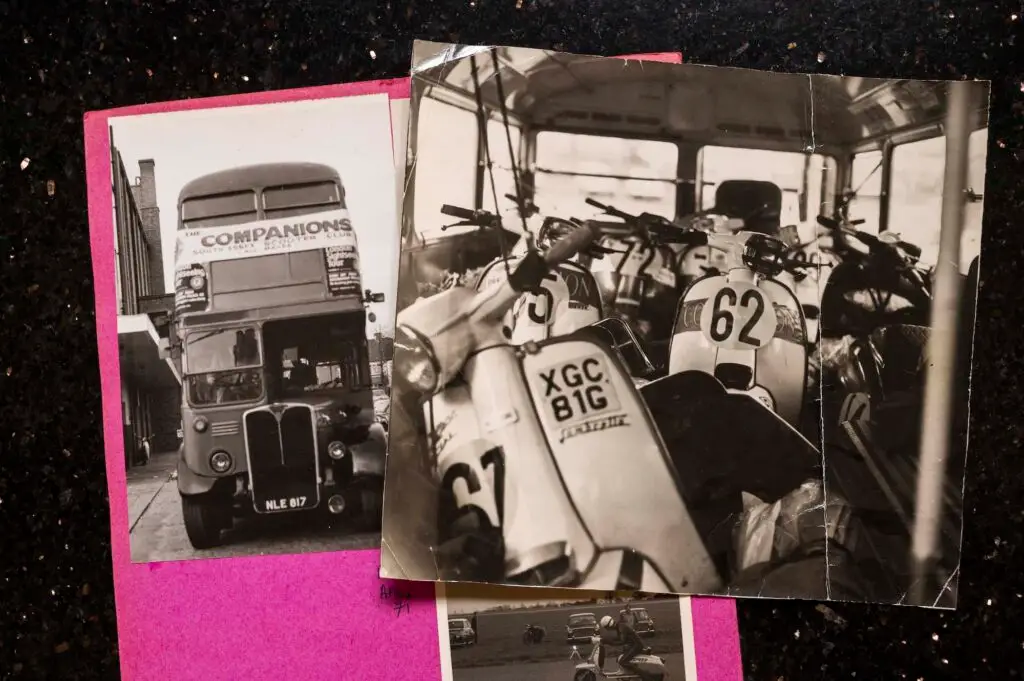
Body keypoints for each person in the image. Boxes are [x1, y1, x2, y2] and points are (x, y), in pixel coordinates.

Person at [598, 613, 648, 679]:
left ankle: (645, 675)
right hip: (632, 645)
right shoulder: (619, 626)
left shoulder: (621, 627)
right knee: (619, 657)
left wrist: (609, 642)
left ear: (609, 625)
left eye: (606, 627)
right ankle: (627, 673)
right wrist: (605, 640)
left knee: (623, 661)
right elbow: (619, 639)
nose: (607, 629)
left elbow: (622, 641)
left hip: (636, 646)